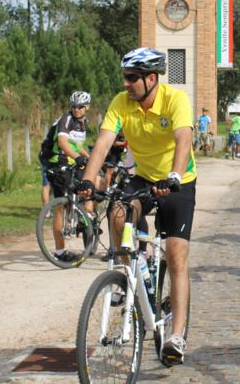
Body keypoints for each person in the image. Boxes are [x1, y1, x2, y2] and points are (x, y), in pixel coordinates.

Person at [77, 47, 195, 366]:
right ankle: (130, 271)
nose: (126, 83)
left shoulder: (175, 99)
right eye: (125, 77)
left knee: (176, 254)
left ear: (151, 79)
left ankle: (176, 336)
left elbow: (183, 139)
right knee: (117, 212)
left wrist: (174, 175)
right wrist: (88, 181)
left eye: (131, 78)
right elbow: (103, 142)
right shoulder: (122, 102)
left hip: (178, 180)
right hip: (143, 177)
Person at [42, 91, 92, 263]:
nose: (76, 109)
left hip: (72, 161)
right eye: (74, 106)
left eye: (80, 107)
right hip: (58, 162)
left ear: (87, 107)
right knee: (61, 207)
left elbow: (76, 145)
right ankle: (60, 251)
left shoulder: (82, 123)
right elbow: (63, 143)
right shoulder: (67, 119)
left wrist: (90, 157)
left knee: (92, 180)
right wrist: (78, 157)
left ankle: (85, 215)